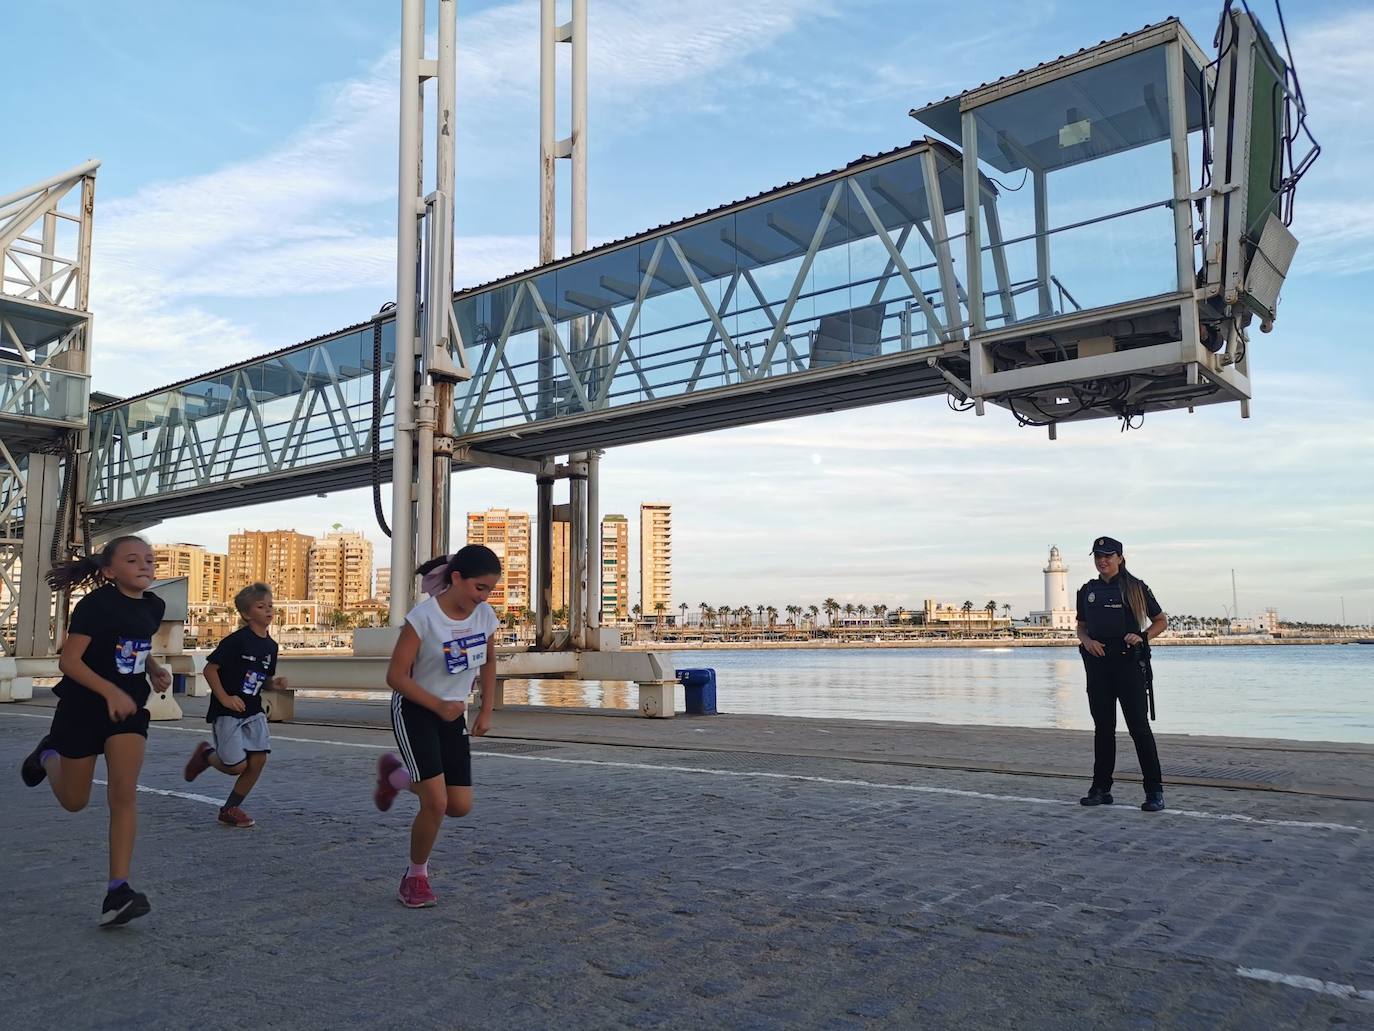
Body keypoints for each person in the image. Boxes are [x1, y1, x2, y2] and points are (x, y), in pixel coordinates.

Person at [19, 536, 172, 926]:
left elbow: (134, 641)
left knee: (124, 793)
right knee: (75, 801)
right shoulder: (95, 605)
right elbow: (69, 662)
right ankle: (47, 755)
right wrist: (108, 691)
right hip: (83, 708)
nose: (145, 566)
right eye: (133, 560)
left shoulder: (154, 606)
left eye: (150, 560)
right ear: (109, 571)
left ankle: (117, 891)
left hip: (128, 710)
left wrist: (152, 667)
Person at [372, 545, 501, 908]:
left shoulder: (485, 616)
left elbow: (489, 663)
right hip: (415, 710)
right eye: (480, 588)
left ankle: (396, 778)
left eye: (490, 590)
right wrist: (437, 705)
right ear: (456, 579)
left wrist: (486, 710)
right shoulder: (423, 618)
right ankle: (415, 877)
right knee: (436, 802)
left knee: (459, 805)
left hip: (453, 713)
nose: (484, 597)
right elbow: (395, 676)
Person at [1076, 536, 1169, 812]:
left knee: (1139, 729)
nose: (1102, 561)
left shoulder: (1136, 587)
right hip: (1098, 666)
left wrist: (1142, 636)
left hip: (1128, 665)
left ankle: (1154, 791)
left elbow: (1161, 621)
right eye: (1097, 556)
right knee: (1103, 729)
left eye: (1108, 556)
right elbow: (1081, 626)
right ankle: (1101, 788)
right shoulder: (1086, 591)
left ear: (1120, 557)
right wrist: (1086, 641)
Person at [182, 582, 287, 828]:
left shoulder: (271, 646)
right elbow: (210, 669)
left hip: (253, 710)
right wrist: (224, 698)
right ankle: (206, 755)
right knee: (235, 766)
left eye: (270, 606)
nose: (268, 611)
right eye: (261, 607)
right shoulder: (236, 641)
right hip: (227, 711)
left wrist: (274, 683)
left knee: (258, 760)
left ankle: (230, 808)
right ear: (247, 614)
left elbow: (261, 679)